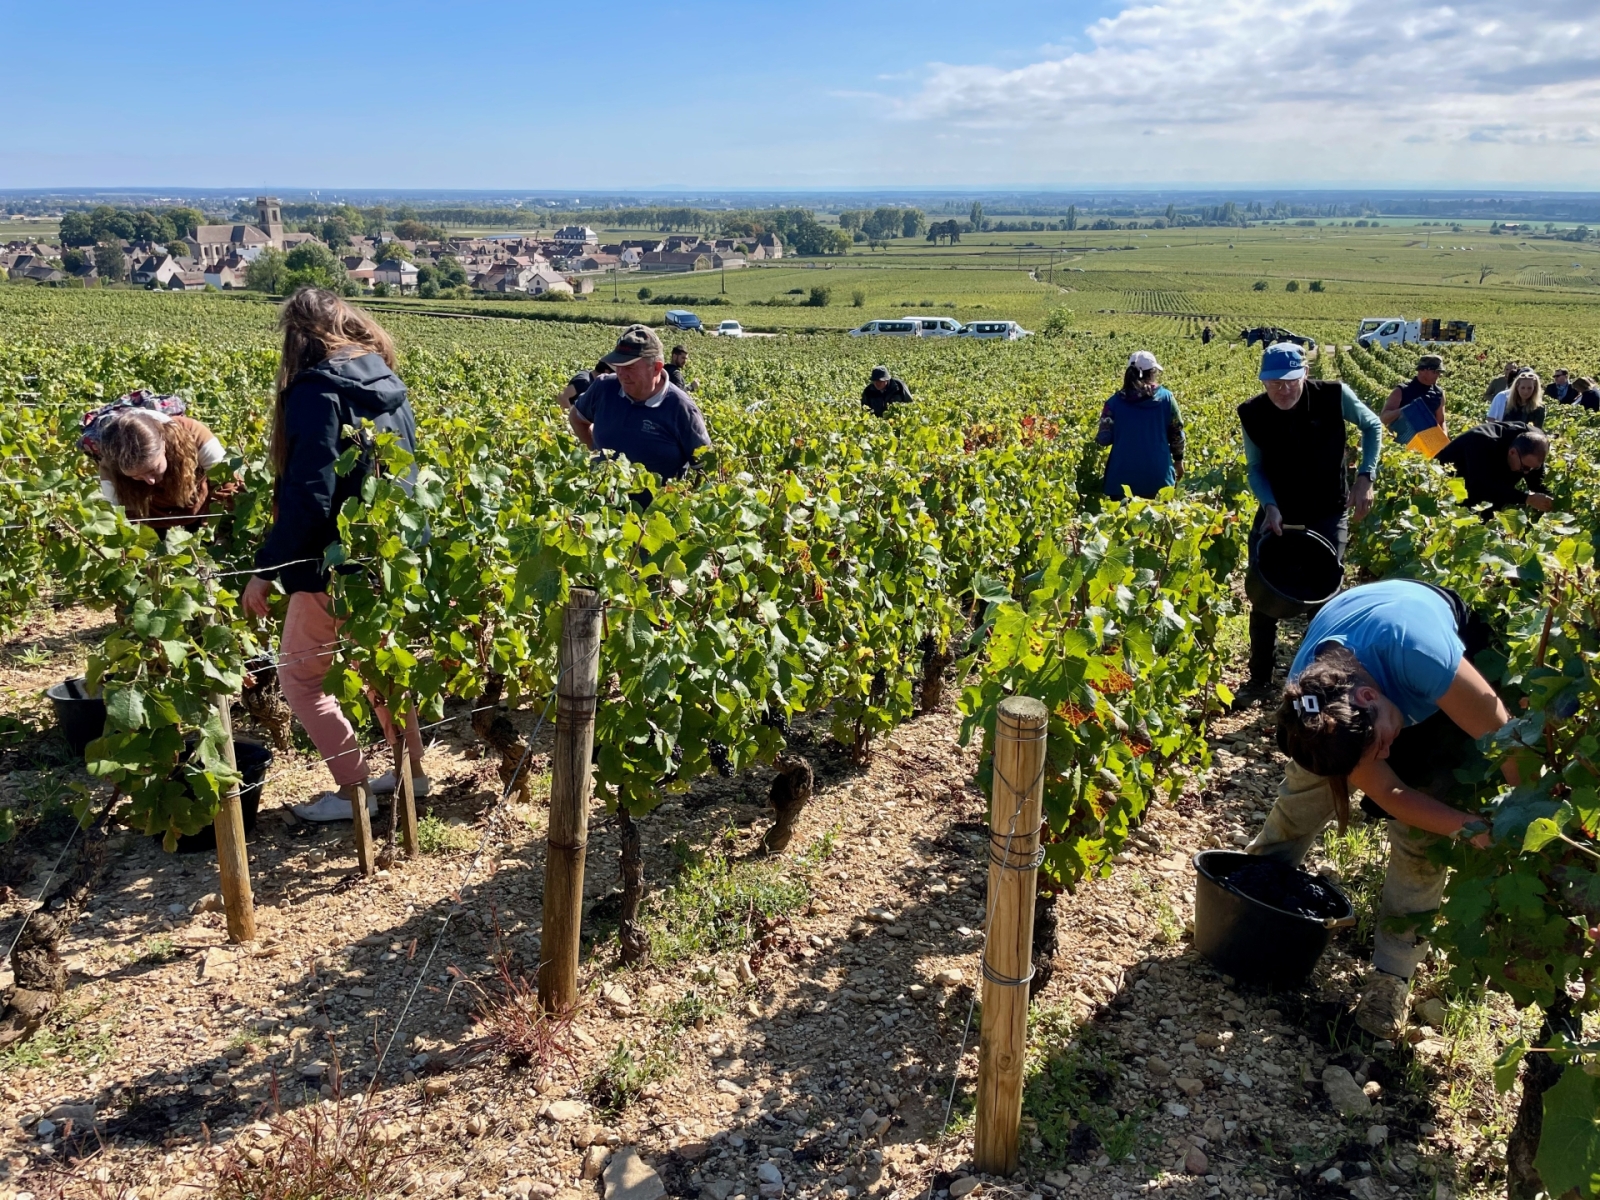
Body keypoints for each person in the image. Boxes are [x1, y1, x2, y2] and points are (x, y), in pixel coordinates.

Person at [1252, 578, 1513, 1037]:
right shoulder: (1313, 701)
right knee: (1306, 792)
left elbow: (1510, 748)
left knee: (1422, 838)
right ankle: (1250, 897)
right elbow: (1388, 793)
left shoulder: (1427, 659)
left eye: (1378, 747)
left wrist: (1513, 822)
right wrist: (1470, 826)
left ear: (1370, 698)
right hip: (1364, 677)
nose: (1384, 760)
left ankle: (1392, 976)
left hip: (1417, 648)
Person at [240, 287, 428, 824]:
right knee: (382, 666)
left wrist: (266, 568)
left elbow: (311, 494)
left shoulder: (314, 391)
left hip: (331, 563)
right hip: (386, 554)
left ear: (298, 337)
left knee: (301, 680)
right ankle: (412, 773)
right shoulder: (386, 383)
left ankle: (354, 792)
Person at [1235, 343, 1383, 699]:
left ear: (1304, 374)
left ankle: (1316, 683)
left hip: (1327, 509)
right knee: (1264, 592)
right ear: (1263, 381)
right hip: (1279, 510)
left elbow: (1372, 425)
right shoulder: (1253, 413)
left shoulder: (1333, 395)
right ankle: (1259, 679)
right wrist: (1269, 505)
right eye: (1273, 383)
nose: (1282, 390)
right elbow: (1255, 468)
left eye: (1289, 381)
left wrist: (1366, 476)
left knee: (1322, 593)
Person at [568, 324, 711, 482]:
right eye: (619, 365)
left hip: (656, 506)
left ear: (656, 368)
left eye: (630, 367)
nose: (621, 373)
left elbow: (706, 469)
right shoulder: (603, 388)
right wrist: (597, 452)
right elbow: (576, 418)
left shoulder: (682, 409)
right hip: (600, 502)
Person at [95, 408, 234, 527]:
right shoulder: (110, 467)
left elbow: (228, 482)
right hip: (150, 527)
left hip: (201, 511)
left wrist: (224, 530)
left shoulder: (193, 433)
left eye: (153, 469)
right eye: (136, 476)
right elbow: (119, 518)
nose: (150, 481)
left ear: (163, 446)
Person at [1096, 350, 1185, 500]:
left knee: (1121, 521)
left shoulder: (1113, 403)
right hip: (1158, 477)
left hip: (1121, 478)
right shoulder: (1167, 399)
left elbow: (1104, 439)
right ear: (1153, 373)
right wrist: (1178, 460)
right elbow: (1177, 433)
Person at [1435, 422, 1553, 515]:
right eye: (1525, 468)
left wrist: (1552, 503)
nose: (1527, 473)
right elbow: (1482, 485)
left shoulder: (1536, 445)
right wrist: (1527, 498)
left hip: (1490, 476)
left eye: (1533, 468)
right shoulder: (1481, 442)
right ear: (1512, 452)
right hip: (1456, 476)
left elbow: (1537, 483)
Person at [1379, 354, 1447, 438]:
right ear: (1423, 370)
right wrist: (1406, 410)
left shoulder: (1439, 393)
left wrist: (1443, 437)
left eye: (1439, 372)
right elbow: (1384, 418)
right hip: (1401, 443)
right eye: (1435, 372)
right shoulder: (1402, 390)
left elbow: (1441, 421)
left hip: (1425, 443)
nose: (1438, 375)